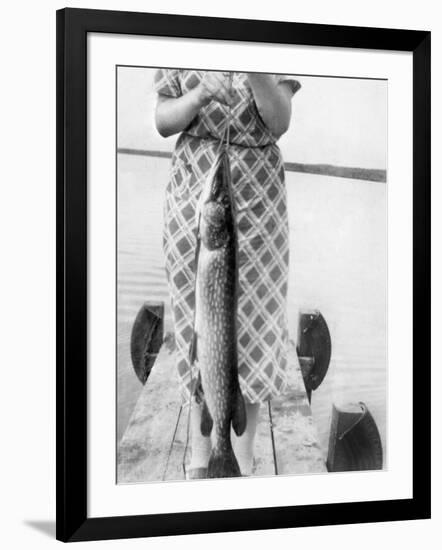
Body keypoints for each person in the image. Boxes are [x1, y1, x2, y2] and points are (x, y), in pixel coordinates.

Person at [154, 69, 301, 478]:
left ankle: (243, 460)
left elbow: (280, 120)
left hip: (259, 200)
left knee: (256, 327)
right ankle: (200, 461)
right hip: (195, 199)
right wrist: (198, 95)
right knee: (196, 327)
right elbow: (163, 120)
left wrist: (256, 69)